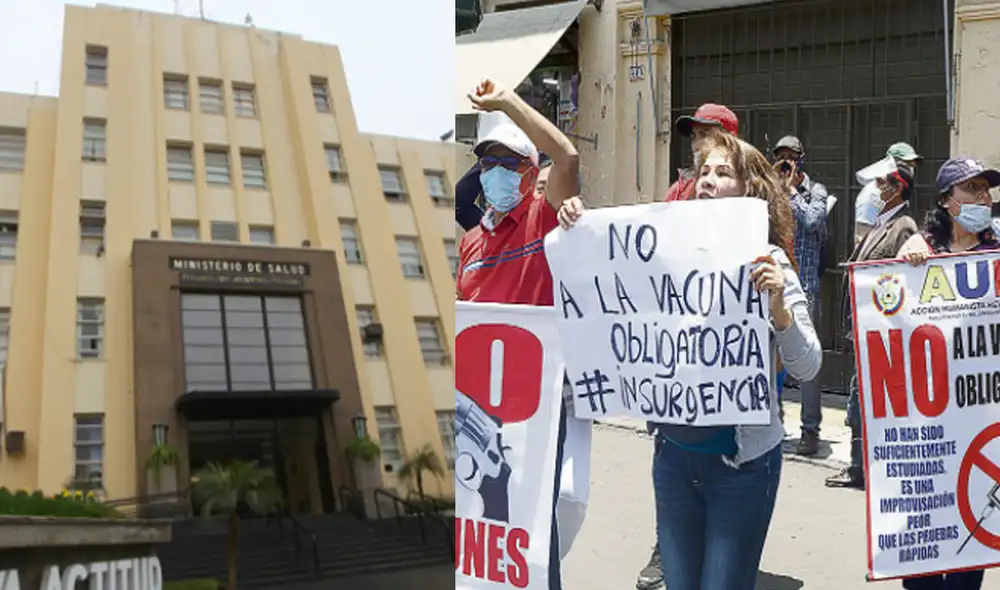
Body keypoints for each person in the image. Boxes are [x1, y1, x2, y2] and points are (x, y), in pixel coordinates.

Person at [558, 132, 822, 590]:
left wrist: (778, 306)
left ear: (749, 189)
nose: (708, 182)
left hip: (741, 466)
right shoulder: (663, 256)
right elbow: (601, 278)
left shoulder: (769, 262)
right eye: (704, 173)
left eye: (723, 173)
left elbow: (808, 366)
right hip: (674, 460)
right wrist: (578, 225)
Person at [456, 79, 592, 570]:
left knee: (532, 535)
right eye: (486, 164)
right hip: (476, 414)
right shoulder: (471, 243)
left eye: (507, 164)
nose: (494, 173)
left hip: (533, 411)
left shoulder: (543, 220)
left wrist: (508, 104)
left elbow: (569, 157)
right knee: (483, 537)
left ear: (530, 172)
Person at [892, 156, 1000, 590]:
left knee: (963, 566)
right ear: (947, 202)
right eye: (971, 189)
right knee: (919, 574)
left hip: (979, 423)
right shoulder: (923, 252)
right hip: (928, 426)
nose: (983, 198)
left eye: (985, 190)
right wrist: (903, 261)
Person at [825, 163, 920, 490]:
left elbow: (901, 280)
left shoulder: (903, 226)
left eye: (882, 183)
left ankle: (863, 468)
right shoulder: (882, 223)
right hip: (865, 329)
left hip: (882, 331)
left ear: (897, 188)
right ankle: (859, 466)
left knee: (862, 400)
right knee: (858, 399)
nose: (876, 189)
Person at [771, 135, 829, 456]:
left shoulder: (815, 191)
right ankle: (772, 421)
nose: (786, 162)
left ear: (802, 159)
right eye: (781, 156)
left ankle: (810, 431)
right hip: (773, 286)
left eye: (792, 157)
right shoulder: (769, 191)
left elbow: (813, 220)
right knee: (771, 358)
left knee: (808, 360)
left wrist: (791, 191)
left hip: (805, 286)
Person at [663, 103, 740, 203]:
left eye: (705, 135)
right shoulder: (679, 190)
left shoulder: (750, 186)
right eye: (693, 136)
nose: (696, 145)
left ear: (729, 141)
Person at [855, 143, 922, 243]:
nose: (909, 169)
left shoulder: (898, 192)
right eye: (904, 164)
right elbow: (862, 238)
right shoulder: (870, 195)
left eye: (911, 165)